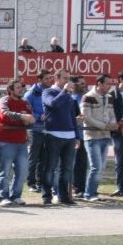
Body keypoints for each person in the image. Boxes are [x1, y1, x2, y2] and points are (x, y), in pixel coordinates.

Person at [40, 69, 82, 206]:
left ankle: (64, 196)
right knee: (50, 167)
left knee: (67, 168)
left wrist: (76, 135)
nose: (68, 81)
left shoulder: (68, 96)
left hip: (69, 136)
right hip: (53, 135)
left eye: (69, 78)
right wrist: (64, 91)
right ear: (56, 78)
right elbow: (53, 104)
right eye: (65, 78)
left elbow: (72, 116)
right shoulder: (48, 92)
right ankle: (47, 196)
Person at [0, 79, 35, 206]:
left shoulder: (25, 102)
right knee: (5, 170)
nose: (21, 89)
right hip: (6, 141)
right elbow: (5, 115)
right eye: (17, 87)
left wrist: (25, 118)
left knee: (22, 170)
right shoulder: (4, 101)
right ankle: (3, 196)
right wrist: (21, 117)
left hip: (22, 141)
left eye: (21, 87)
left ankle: (16, 195)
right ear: (10, 90)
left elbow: (31, 118)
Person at [80, 74, 118, 201]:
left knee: (100, 167)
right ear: (99, 84)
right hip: (92, 136)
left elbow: (112, 114)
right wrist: (104, 126)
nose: (110, 86)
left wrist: (113, 123)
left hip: (105, 136)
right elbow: (87, 117)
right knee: (95, 166)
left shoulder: (109, 97)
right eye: (107, 83)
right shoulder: (88, 97)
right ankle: (88, 194)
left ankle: (93, 193)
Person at [25, 70, 53, 193]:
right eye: (46, 78)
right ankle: (31, 183)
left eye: (50, 78)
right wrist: (38, 116)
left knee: (45, 158)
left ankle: (41, 182)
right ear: (39, 79)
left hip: (47, 130)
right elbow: (25, 112)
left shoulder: (50, 92)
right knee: (33, 157)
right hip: (34, 130)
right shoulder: (30, 94)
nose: (49, 80)